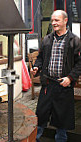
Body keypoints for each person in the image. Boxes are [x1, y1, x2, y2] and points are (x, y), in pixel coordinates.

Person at [30, 10, 81, 142]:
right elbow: (41, 57)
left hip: (64, 85)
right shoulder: (47, 39)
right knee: (41, 115)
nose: (53, 23)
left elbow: (79, 63)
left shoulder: (74, 40)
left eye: (57, 20)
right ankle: (34, 139)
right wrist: (37, 66)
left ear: (65, 21)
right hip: (48, 84)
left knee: (62, 118)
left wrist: (70, 78)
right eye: (52, 20)